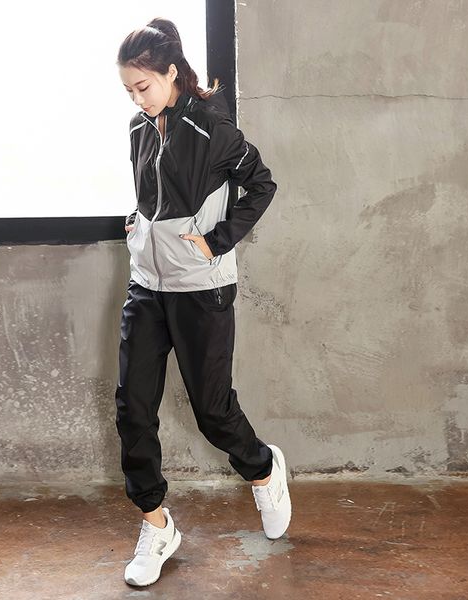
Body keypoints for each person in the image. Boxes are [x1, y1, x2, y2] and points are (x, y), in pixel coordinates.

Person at [115, 17, 291, 587]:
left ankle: (263, 470)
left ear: (171, 73)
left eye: (143, 87)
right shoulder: (139, 130)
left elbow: (261, 183)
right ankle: (156, 524)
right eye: (128, 90)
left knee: (213, 412)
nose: (137, 100)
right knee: (133, 409)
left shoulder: (212, 127)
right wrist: (137, 223)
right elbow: (155, 197)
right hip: (147, 285)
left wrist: (217, 240)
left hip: (200, 287)